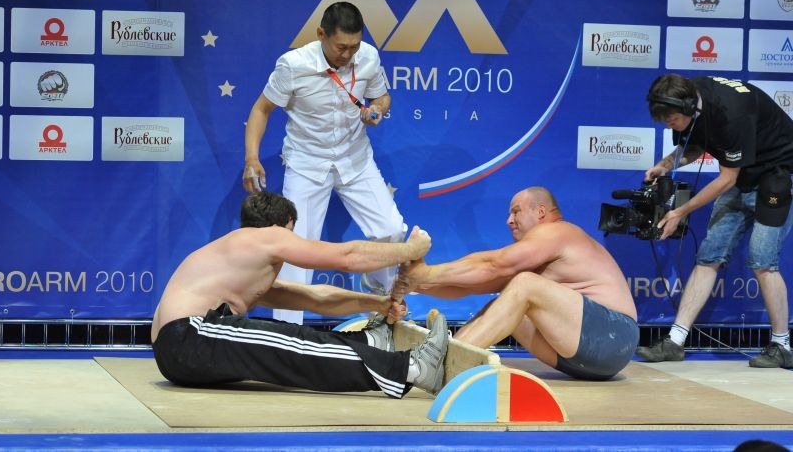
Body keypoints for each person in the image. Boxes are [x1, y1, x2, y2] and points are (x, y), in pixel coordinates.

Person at [151, 191, 448, 398]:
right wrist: (411, 250)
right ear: (281, 226)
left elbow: (313, 298)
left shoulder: (235, 267)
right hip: (188, 337)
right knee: (298, 346)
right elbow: (346, 256)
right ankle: (412, 369)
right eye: (291, 232)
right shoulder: (268, 236)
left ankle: (370, 341)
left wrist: (379, 304)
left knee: (288, 337)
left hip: (176, 353)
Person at [244, 1, 405, 324]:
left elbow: (382, 96)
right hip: (307, 164)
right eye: (341, 47)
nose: (348, 54)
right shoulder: (293, 65)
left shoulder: (368, 57)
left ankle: (378, 298)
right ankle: (287, 335)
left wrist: (377, 109)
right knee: (295, 251)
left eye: (354, 46)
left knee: (391, 230)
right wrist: (252, 157)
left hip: (355, 160)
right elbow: (261, 109)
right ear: (321, 34)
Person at [394, 187, 639, 381]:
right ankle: (435, 359)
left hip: (616, 337)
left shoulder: (558, 231)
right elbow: (472, 284)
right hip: (581, 357)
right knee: (505, 304)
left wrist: (427, 273)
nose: (509, 220)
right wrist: (417, 284)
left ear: (540, 212)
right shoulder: (539, 255)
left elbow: (494, 264)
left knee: (523, 284)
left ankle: (439, 363)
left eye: (516, 212)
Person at [636, 74, 793, 369]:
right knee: (708, 256)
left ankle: (782, 345)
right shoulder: (690, 99)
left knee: (762, 261)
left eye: (672, 121)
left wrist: (680, 212)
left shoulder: (732, 112)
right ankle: (674, 342)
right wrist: (665, 165)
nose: (669, 126)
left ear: (688, 107)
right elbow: (695, 146)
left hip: (777, 175)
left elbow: (726, 179)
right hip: (742, 176)